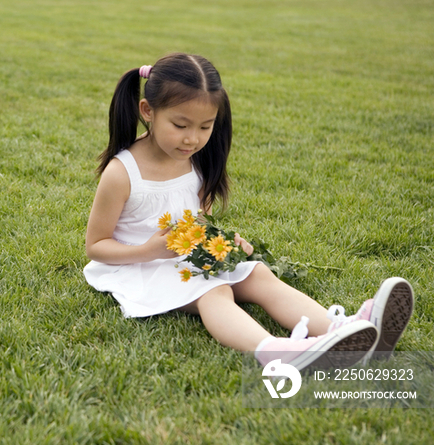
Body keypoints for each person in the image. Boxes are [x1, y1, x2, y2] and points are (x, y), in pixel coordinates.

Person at [83, 53, 414, 370]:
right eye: (181, 125)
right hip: (137, 266)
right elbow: (96, 247)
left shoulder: (196, 162)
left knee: (257, 273)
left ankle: (344, 330)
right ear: (148, 110)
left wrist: (222, 243)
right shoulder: (122, 172)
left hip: (183, 258)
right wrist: (149, 250)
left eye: (205, 127)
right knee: (215, 291)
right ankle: (274, 351)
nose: (192, 139)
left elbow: (197, 221)